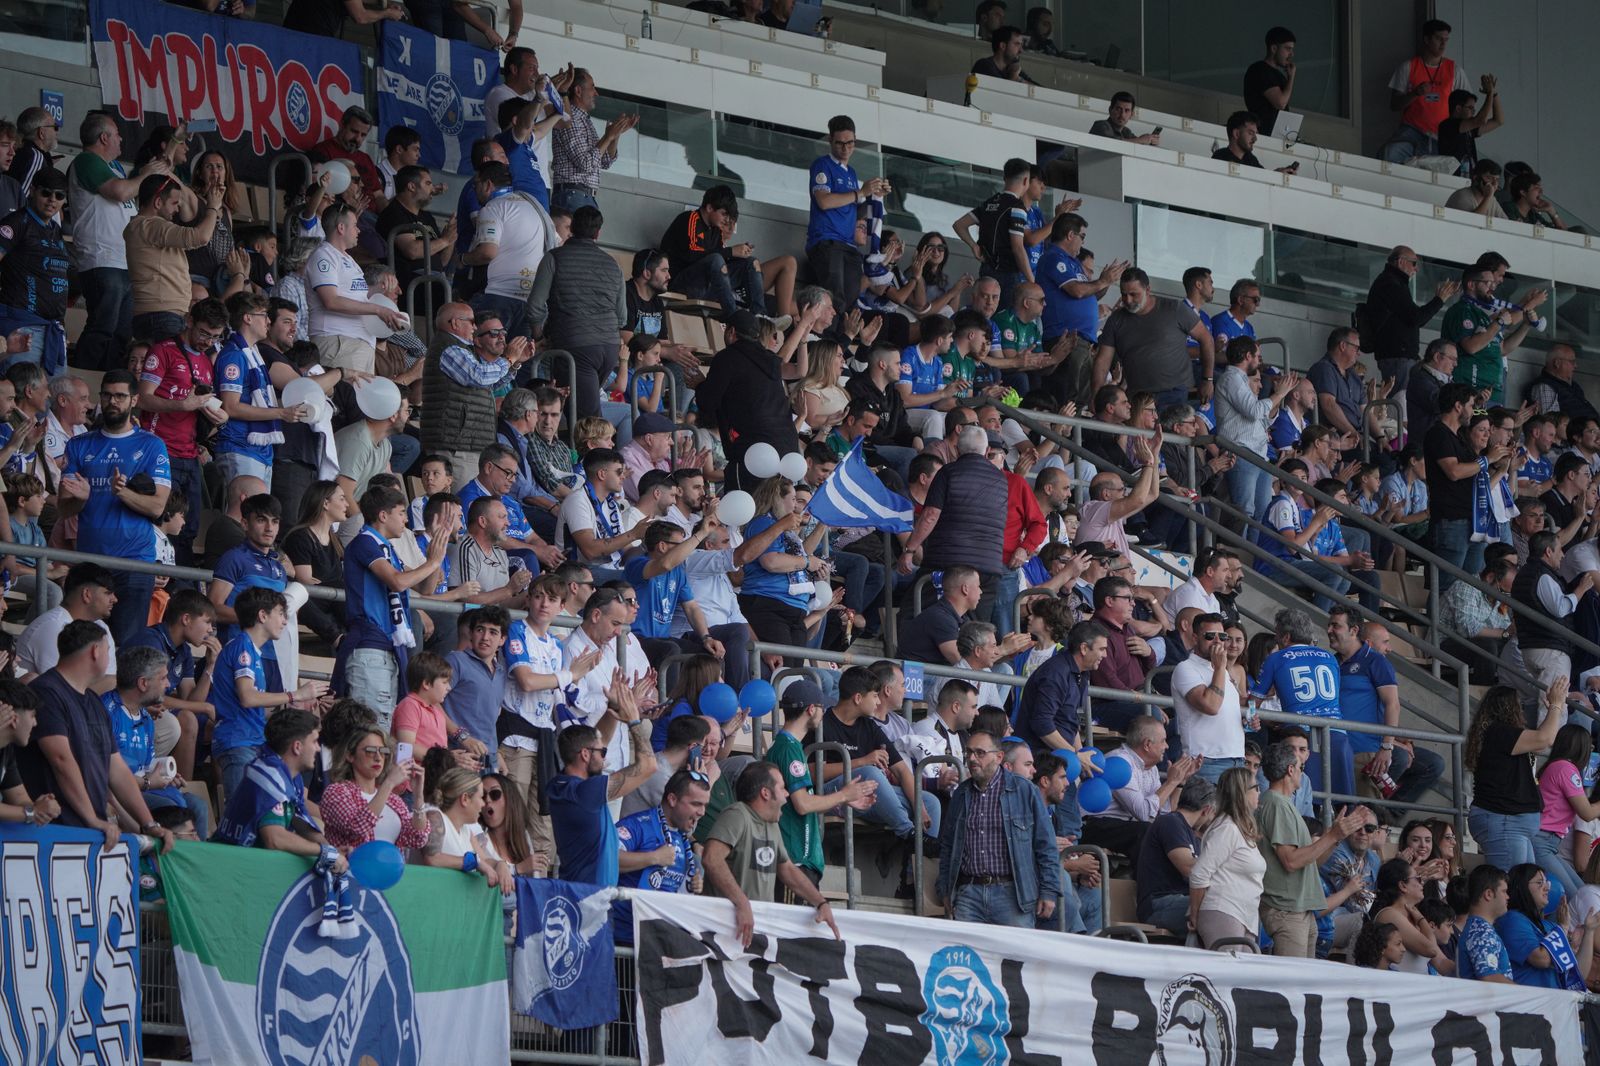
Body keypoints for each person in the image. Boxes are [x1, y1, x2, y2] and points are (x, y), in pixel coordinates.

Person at [19, 620, 175, 852]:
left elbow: (116, 768)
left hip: (91, 830)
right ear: (95, 651)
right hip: (55, 832)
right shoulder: (47, 692)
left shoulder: (94, 702)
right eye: (108, 650)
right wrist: (92, 818)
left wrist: (149, 823)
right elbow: (61, 760)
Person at [56, 370, 171, 646]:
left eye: (120, 396)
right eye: (107, 395)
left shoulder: (152, 445)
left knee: (125, 649)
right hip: (90, 564)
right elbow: (63, 509)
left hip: (134, 564)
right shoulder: (79, 444)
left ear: (134, 400)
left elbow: (157, 507)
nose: (112, 401)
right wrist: (81, 498)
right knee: (80, 647)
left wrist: (122, 492)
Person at [337, 485, 451, 720]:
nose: (406, 520)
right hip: (369, 647)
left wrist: (437, 552)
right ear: (383, 515)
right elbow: (397, 582)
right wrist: (432, 562)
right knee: (370, 729)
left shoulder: (387, 548)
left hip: (387, 648)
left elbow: (424, 588)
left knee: (384, 729)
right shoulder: (364, 542)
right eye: (401, 513)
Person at [703, 762, 840, 945]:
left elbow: (788, 870)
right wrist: (742, 903)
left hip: (756, 929)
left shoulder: (772, 824)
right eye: (782, 788)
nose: (787, 794)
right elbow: (711, 859)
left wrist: (821, 903)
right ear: (765, 793)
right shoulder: (737, 815)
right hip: (726, 927)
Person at [933, 728, 1058, 927]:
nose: (972, 758)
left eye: (980, 753)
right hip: (968, 893)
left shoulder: (1025, 790)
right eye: (969, 752)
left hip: (1012, 894)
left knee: (1014, 957)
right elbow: (949, 846)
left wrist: (1049, 890)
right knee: (969, 957)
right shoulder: (961, 794)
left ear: (999, 757)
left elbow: (1046, 845)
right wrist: (946, 890)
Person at [1257, 740, 1369, 958]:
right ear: (1290, 770)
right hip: (1287, 910)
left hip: (1300, 910)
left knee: (1303, 984)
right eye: (1300, 768)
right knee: (1292, 984)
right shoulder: (1277, 804)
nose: (1301, 773)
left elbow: (1311, 861)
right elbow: (1291, 861)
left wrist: (1335, 838)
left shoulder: (1283, 804)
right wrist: (1333, 835)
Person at [525, 205, 627, 418]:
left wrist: (538, 336)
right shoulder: (613, 264)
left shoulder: (554, 258)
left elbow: (535, 305)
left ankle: (591, 450)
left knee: (585, 419)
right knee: (581, 410)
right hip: (608, 348)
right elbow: (622, 316)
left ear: (571, 228)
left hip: (574, 345)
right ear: (598, 233)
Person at [548, 686, 656, 885]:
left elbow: (600, 739)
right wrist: (633, 720)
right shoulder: (585, 792)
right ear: (585, 755)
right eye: (602, 753)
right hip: (590, 897)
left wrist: (613, 708)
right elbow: (648, 766)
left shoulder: (562, 785)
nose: (605, 758)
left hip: (580, 891)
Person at [102, 645, 209, 837]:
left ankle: (193, 863)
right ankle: (165, 863)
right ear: (143, 683)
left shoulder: (145, 717)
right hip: (118, 795)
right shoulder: (106, 713)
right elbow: (104, 775)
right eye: (163, 678)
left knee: (198, 805)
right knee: (174, 809)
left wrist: (165, 777)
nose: (168, 684)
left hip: (144, 786)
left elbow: (146, 764)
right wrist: (148, 782)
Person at [696, 312, 802, 490]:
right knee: (778, 506)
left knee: (747, 508)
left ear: (731, 332)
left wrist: (700, 385)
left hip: (752, 451)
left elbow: (708, 403)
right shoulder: (771, 359)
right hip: (787, 447)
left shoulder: (727, 357)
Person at [1094, 268, 1213, 409]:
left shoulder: (1175, 308)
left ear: (1148, 290)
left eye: (1134, 294)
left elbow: (1206, 339)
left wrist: (1208, 380)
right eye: (1124, 294)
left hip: (1174, 393)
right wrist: (1095, 396)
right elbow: (1102, 361)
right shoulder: (1116, 320)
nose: (1128, 300)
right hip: (1138, 397)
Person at [613, 767, 707, 940]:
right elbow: (607, 858)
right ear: (672, 799)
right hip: (624, 938)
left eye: (704, 805)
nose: (702, 812)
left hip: (659, 939)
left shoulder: (681, 837)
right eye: (696, 804)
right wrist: (653, 858)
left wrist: (692, 882)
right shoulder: (639, 825)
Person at [1088, 715, 1199, 858]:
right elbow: (1144, 813)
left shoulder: (1151, 768)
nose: (1167, 746)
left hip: (1124, 826)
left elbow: (1165, 813)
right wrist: (1171, 782)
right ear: (1147, 744)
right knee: (1147, 831)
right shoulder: (1119, 763)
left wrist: (1179, 782)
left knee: (1173, 830)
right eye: (1163, 741)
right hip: (1095, 825)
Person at [806, 116, 884, 307]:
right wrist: (860, 193)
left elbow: (853, 208)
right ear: (830, 141)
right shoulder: (822, 165)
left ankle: (839, 335)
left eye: (850, 143)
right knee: (834, 299)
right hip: (827, 242)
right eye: (840, 143)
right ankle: (828, 336)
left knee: (850, 300)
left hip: (849, 245)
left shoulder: (851, 172)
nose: (846, 148)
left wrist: (874, 195)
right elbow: (823, 201)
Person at [1424, 382, 1495, 586]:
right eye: (1471, 406)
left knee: (1468, 589)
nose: (1473, 411)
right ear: (1458, 406)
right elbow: (1454, 472)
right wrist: (1487, 460)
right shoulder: (1438, 433)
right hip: (1451, 521)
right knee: (1445, 587)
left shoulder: (1458, 438)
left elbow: (1474, 471)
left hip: (1472, 520)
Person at [1188, 767, 1264, 949]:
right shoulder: (1227, 828)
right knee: (1228, 974)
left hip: (1244, 914)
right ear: (1242, 793)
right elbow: (1199, 874)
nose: (1260, 792)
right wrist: (1195, 915)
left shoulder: (1240, 829)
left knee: (1242, 976)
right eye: (1256, 787)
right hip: (1224, 910)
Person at [657, 185, 763, 317]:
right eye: (724, 214)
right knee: (716, 259)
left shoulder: (715, 230)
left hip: (708, 286)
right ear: (709, 208)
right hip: (681, 285)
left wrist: (740, 254)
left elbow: (720, 260)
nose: (726, 220)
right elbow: (692, 255)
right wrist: (730, 251)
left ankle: (759, 315)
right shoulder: (690, 219)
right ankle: (735, 316)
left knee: (751, 263)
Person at [319, 726, 430, 850]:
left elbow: (418, 838)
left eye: (383, 751)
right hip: (350, 868)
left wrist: (418, 796)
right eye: (370, 750)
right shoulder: (336, 792)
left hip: (389, 868)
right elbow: (356, 828)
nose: (378, 757)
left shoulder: (394, 800)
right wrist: (389, 784)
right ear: (350, 755)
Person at [1364, 246, 1459, 392]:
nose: (1417, 269)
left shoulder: (1394, 282)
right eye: (1414, 263)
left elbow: (1415, 318)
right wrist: (1439, 300)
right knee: (1400, 402)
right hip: (1397, 356)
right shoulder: (1390, 283)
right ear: (1401, 262)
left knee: (1402, 402)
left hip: (1400, 356)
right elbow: (1416, 318)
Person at [1380, 18, 1471, 165]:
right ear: (1426, 39)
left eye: (1446, 40)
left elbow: (1468, 105)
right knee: (1390, 153)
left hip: (1443, 136)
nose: (1443, 44)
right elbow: (1394, 104)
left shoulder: (1455, 70)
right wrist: (1415, 93)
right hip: (1412, 132)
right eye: (1438, 39)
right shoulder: (1408, 67)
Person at [1510, 530, 1593, 690]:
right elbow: (1561, 608)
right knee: (1553, 706)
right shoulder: (1542, 575)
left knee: (1544, 703)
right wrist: (1581, 589)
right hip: (1549, 649)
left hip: (1535, 645)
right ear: (1548, 551)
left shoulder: (1528, 572)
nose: (1562, 555)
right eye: (1560, 549)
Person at [1136, 776, 1215, 936]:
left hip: (1180, 900)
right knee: (1216, 907)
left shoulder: (1191, 833)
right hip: (1159, 904)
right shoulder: (1170, 822)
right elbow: (1188, 867)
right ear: (1206, 810)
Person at [1496, 864, 1595, 990]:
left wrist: (1589, 931)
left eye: (1546, 882)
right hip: (1529, 1004)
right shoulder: (1513, 920)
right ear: (1521, 887)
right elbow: (1541, 959)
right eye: (1539, 882)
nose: (1547, 887)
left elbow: (1577, 973)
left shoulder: (1550, 926)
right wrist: (1563, 928)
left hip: (1553, 1003)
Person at [1445, 264, 1532, 407]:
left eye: (1493, 283)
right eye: (1487, 283)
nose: (1492, 288)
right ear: (1471, 284)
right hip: (1471, 393)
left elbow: (1502, 349)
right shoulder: (1462, 311)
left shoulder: (1483, 316)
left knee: (1491, 427)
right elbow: (1471, 347)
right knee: (1477, 426)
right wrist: (1499, 323)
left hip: (1493, 393)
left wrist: (1526, 325)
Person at [16, 562, 118, 683]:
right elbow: (61, 688)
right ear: (87, 594)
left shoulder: (101, 626)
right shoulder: (52, 627)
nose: (115, 599)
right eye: (108, 593)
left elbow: (108, 680)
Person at [953, 158, 1033, 304]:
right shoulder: (1017, 207)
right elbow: (1017, 247)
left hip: (986, 269)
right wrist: (1031, 280)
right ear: (1026, 180)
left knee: (985, 315)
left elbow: (959, 225)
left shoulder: (990, 202)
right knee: (1003, 318)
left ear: (1004, 178)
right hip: (1007, 273)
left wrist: (974, 246)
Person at [1533, 724, 1600, 898]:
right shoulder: (1565, 768)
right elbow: (1587, 812)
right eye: (1589, 746)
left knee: (1582, 892)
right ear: (1580, 747)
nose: (1590, 751)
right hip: (1541, 841)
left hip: (1548, 843)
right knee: (1577, 897)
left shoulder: (1558, 766)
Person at [1456, 863, 1513, 982]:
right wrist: (1526, 995)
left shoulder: (1478, 928)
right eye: (1504, 891)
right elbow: (1490, 977)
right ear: (1488, 894)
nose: (1508, 897)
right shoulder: (1481, 932)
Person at [1243, 26, 1296, 136]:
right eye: (1287, 49)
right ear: (1274, 49)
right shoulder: (1260, 70)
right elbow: (1280, 103)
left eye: (1292, 49)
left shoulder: (1279, 76)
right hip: (1262, 134)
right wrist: (1291, 78)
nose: (1291, 54)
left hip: (1277, 134)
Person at [1088, 92, 1161, 146]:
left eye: (1127, 110)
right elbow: (1112, 143)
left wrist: (1151, 142)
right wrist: (1140, 140)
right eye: (1118, 109)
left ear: (1131, 114)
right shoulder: (1100, 125)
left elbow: (1138, 144)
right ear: (1110, 110)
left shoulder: (1126, 132)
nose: (1122, 114)